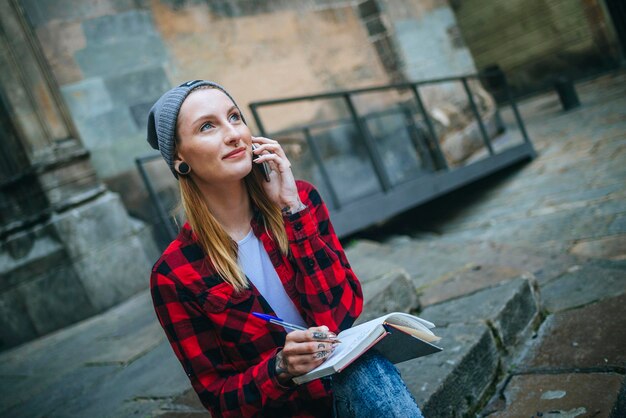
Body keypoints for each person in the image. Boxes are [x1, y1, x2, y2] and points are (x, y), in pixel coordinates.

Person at [147, 80, 423, 417]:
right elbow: (219, 399)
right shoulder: (174, 273)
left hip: (342, 389)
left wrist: (292, 210)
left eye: (235, 117)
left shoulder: (300, 201)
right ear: (179, 158)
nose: (233, 134)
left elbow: (342, 313)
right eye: (207, 126)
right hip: (282, 410)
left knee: (366, 369)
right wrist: (280, 368)